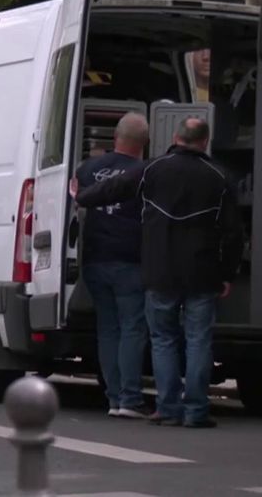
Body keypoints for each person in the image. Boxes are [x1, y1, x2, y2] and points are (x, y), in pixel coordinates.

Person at [74, 118, 244, 428]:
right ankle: (195, 410)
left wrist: (80, 196)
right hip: (202, 273)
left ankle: (167, 408)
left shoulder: (152, 169)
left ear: (176, 137)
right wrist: (227, 273)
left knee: (162, 339)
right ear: (204, 142)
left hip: (159, 271)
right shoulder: (220, 177)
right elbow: (233, 233)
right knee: (198, 340)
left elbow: (113, 189)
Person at [69, 112, 150, 419]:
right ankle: (129, 398)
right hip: (130, 259)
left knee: (108, 328)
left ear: (115, 137)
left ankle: (114, 397)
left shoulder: (88, 168)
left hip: (94, 258)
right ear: (144, 143)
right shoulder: (145, 173)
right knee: (132, 327)